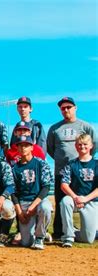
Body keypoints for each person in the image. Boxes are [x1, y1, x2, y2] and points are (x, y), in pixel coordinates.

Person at [46, 96, 97, 239]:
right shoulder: (55, 128)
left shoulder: (85, 126)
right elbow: (50, 148)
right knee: (61, 201)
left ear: (75, 108)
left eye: (69, 107)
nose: (66, 110)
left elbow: (93, 144)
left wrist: (83, 159)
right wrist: (61, 159)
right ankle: (60, 232)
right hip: (62, 171)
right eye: (63, 108)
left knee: (86, 201)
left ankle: (87, 229)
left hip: (83, 171)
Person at [11, 135, 53, 250]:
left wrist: (33, 205)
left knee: (46, 208)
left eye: (26, 145)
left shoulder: (41, 163)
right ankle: (37, 232)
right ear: (17, 149)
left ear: (31, 148)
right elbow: (13, 191)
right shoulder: (14, 168)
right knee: (26, 243)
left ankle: (40, 236)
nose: (23, 148)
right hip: (23, 202)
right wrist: (19, 212)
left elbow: (46, 187)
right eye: (20, 146)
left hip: (38, 201)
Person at [60, 134, 97, 247]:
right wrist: (75, 197)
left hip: (92, 200)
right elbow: (64, 185)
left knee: (88, 239)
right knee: (65, 201)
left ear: (91, 146)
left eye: (85, 144)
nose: (82, 147)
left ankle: (76, 231)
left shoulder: (96, 164)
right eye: (79, 144)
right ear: (76, 146)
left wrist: (85, 199)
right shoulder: (71, 164)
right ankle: (68, 236)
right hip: (75, 199)